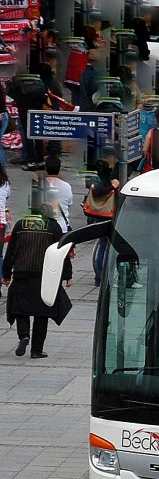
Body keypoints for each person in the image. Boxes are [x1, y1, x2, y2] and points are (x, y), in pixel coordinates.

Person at [3, 204, 73, 359]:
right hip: (45, 275)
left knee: (20, 308)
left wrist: (6, 273)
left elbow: (11, 250)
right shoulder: (53, 227)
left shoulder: (21, 225)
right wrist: (68, 274)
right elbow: (61, 252)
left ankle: (23, 336)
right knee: (42, 313)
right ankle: (36, 350)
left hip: (22, 273)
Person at [86, 145, 120, 287]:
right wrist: (114, 186)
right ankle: (102, 276)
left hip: (97, 215)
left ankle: (99, 276)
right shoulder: (106, 182)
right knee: (107, 246)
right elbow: (102, 190)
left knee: (102, 246)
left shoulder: (95, 180)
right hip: (108, 216)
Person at [41, 154, 73, 233]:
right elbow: (69, 203)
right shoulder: (67, 186)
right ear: (59, 168)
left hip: (43, 227)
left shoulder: (40, 185)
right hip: (62, 227)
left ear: (45, 168)